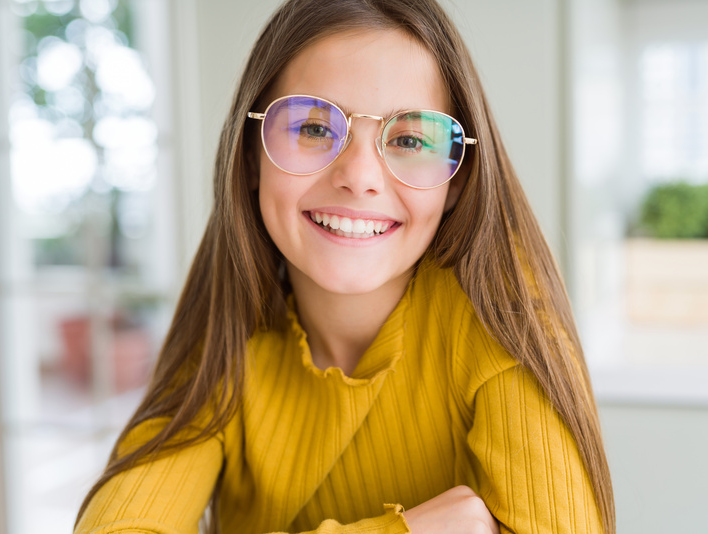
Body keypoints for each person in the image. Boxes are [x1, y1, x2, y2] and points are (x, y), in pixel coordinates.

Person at [74, 0, 615, 533]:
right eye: (313, 129)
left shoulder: (501, 318)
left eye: (408, 139)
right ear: (250, 156)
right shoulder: (224, 346)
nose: (359, 176)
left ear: (457, 180)